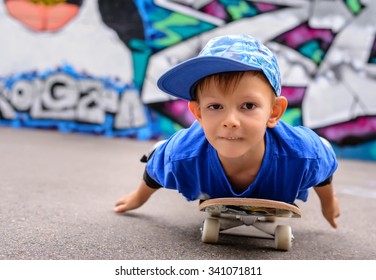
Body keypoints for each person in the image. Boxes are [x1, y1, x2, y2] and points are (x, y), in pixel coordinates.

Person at [114, 34, 340, 228]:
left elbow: (323, 170)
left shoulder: (303, 153)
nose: (230, 121)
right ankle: (159, 146)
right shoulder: (181, 154)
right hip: (191, 155)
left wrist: (328, 204)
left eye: (248, 106)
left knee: (319, 151)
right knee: (164, 154)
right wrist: (138, 197)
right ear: (199, 113)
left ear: (274, 112)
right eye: (215, 106)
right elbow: (155, 172)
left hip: (293, 158)